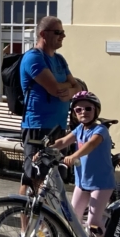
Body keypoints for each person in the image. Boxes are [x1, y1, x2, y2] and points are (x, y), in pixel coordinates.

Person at [19, 16, 82, 191]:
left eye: (63, 32)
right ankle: (25, 217)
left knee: (54, 179)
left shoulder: (60, 59)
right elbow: (55, 89)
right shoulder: (33, 58)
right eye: (58, 32)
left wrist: (69, 90)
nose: (63, 36)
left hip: (59, 127)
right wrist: (69, 88)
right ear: (42, 34)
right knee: (33, 178)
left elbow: (78, 87)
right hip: (38, 127)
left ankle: (46, 219)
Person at [53, 91, 114, 237]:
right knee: (73, 218)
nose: (83, 112)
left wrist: (74, 156)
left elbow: (91, 145)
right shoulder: (80, 129)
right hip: (82, 183)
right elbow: (63, 141)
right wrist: (44, 150)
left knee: (93, 222)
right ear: (74, 113)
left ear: (96, 111)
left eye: (88, 108)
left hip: (101, 183)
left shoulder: (100, 130)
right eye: (78, 110)